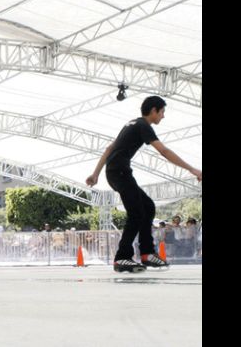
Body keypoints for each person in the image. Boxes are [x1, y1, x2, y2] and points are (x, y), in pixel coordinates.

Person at [86, 96, 202, 273]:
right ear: (154, 110)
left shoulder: (131, 124)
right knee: (136, 213)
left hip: (116, 172)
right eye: (162, 112)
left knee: (147, 207)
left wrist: (95, 174)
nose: (163, 116)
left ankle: (147, 253)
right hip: (120, 172)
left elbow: (109, 149)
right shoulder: (143, 125)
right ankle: (122, 257)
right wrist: (193, 170)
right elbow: (163, 151)